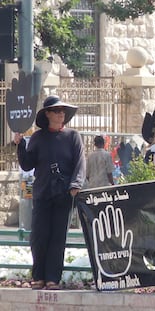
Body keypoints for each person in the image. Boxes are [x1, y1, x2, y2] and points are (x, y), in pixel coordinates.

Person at [13, 95, 86, 290]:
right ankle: (39, 277)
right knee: (39, 235)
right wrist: (20, 145)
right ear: (47, 114)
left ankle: (53, 278)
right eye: (56, 110)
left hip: (64, 194)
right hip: (42, 192)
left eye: (63, 111)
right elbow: (27, 163)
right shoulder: (38, 137)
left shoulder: (73, 137)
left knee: (57, 237)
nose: (61, 114)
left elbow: (80, 163)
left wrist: (75, 187)